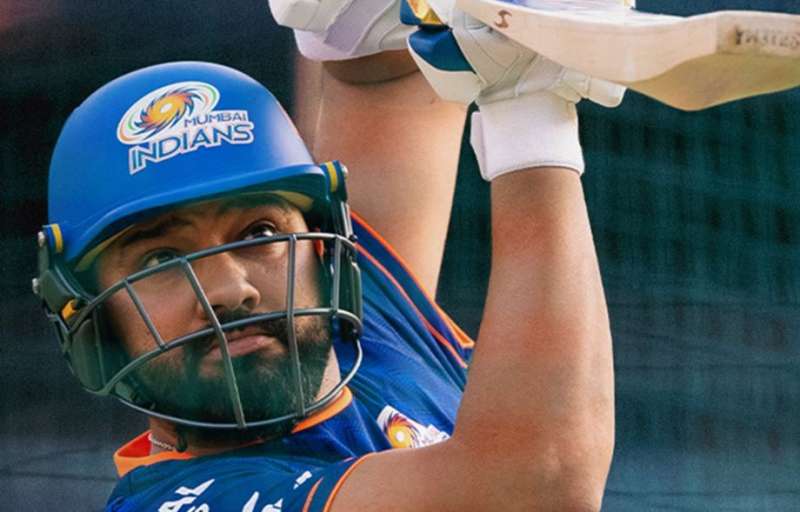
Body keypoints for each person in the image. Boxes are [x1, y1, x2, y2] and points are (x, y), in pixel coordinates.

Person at [34, 0, 621, 509]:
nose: (231, 290)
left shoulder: (356, 331)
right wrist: (529, 108)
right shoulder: (182, 502)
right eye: (161, 261)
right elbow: (535, 485)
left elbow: (380, 79)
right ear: (92, 318)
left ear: (322, 245)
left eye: (260, 233)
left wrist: (364, 22)